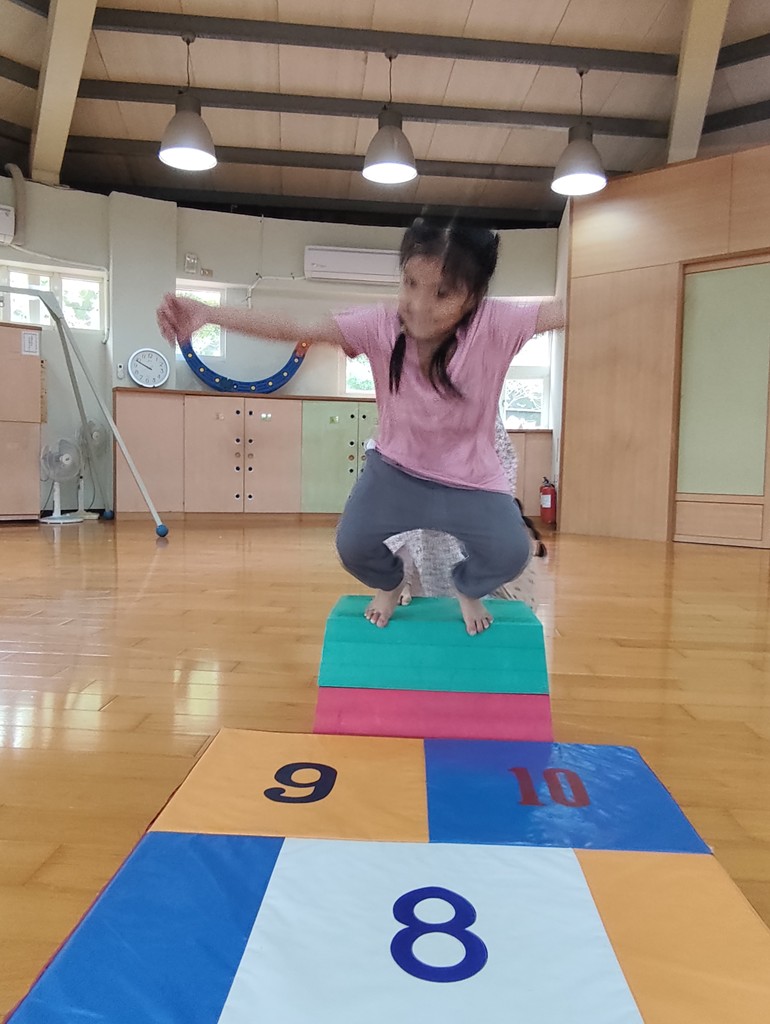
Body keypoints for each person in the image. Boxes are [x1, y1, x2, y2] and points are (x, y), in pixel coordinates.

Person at [157, 216, 564, 635]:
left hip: (471, 480)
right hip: (396, 473)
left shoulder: (496, 324)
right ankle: (391, 581)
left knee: (511, 552)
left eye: (442, 293)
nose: (419, 305)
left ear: (473, 296)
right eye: (410, 283)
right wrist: (209, 313)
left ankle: (468, 586)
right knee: (352, 545)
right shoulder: (380, 325)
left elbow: (570, 310)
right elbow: (297, 324)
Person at [383, 413, 547, 609]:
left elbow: (504, 465)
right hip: (434, 558)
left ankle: (466, 591)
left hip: (491, 564)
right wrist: (402, 577)